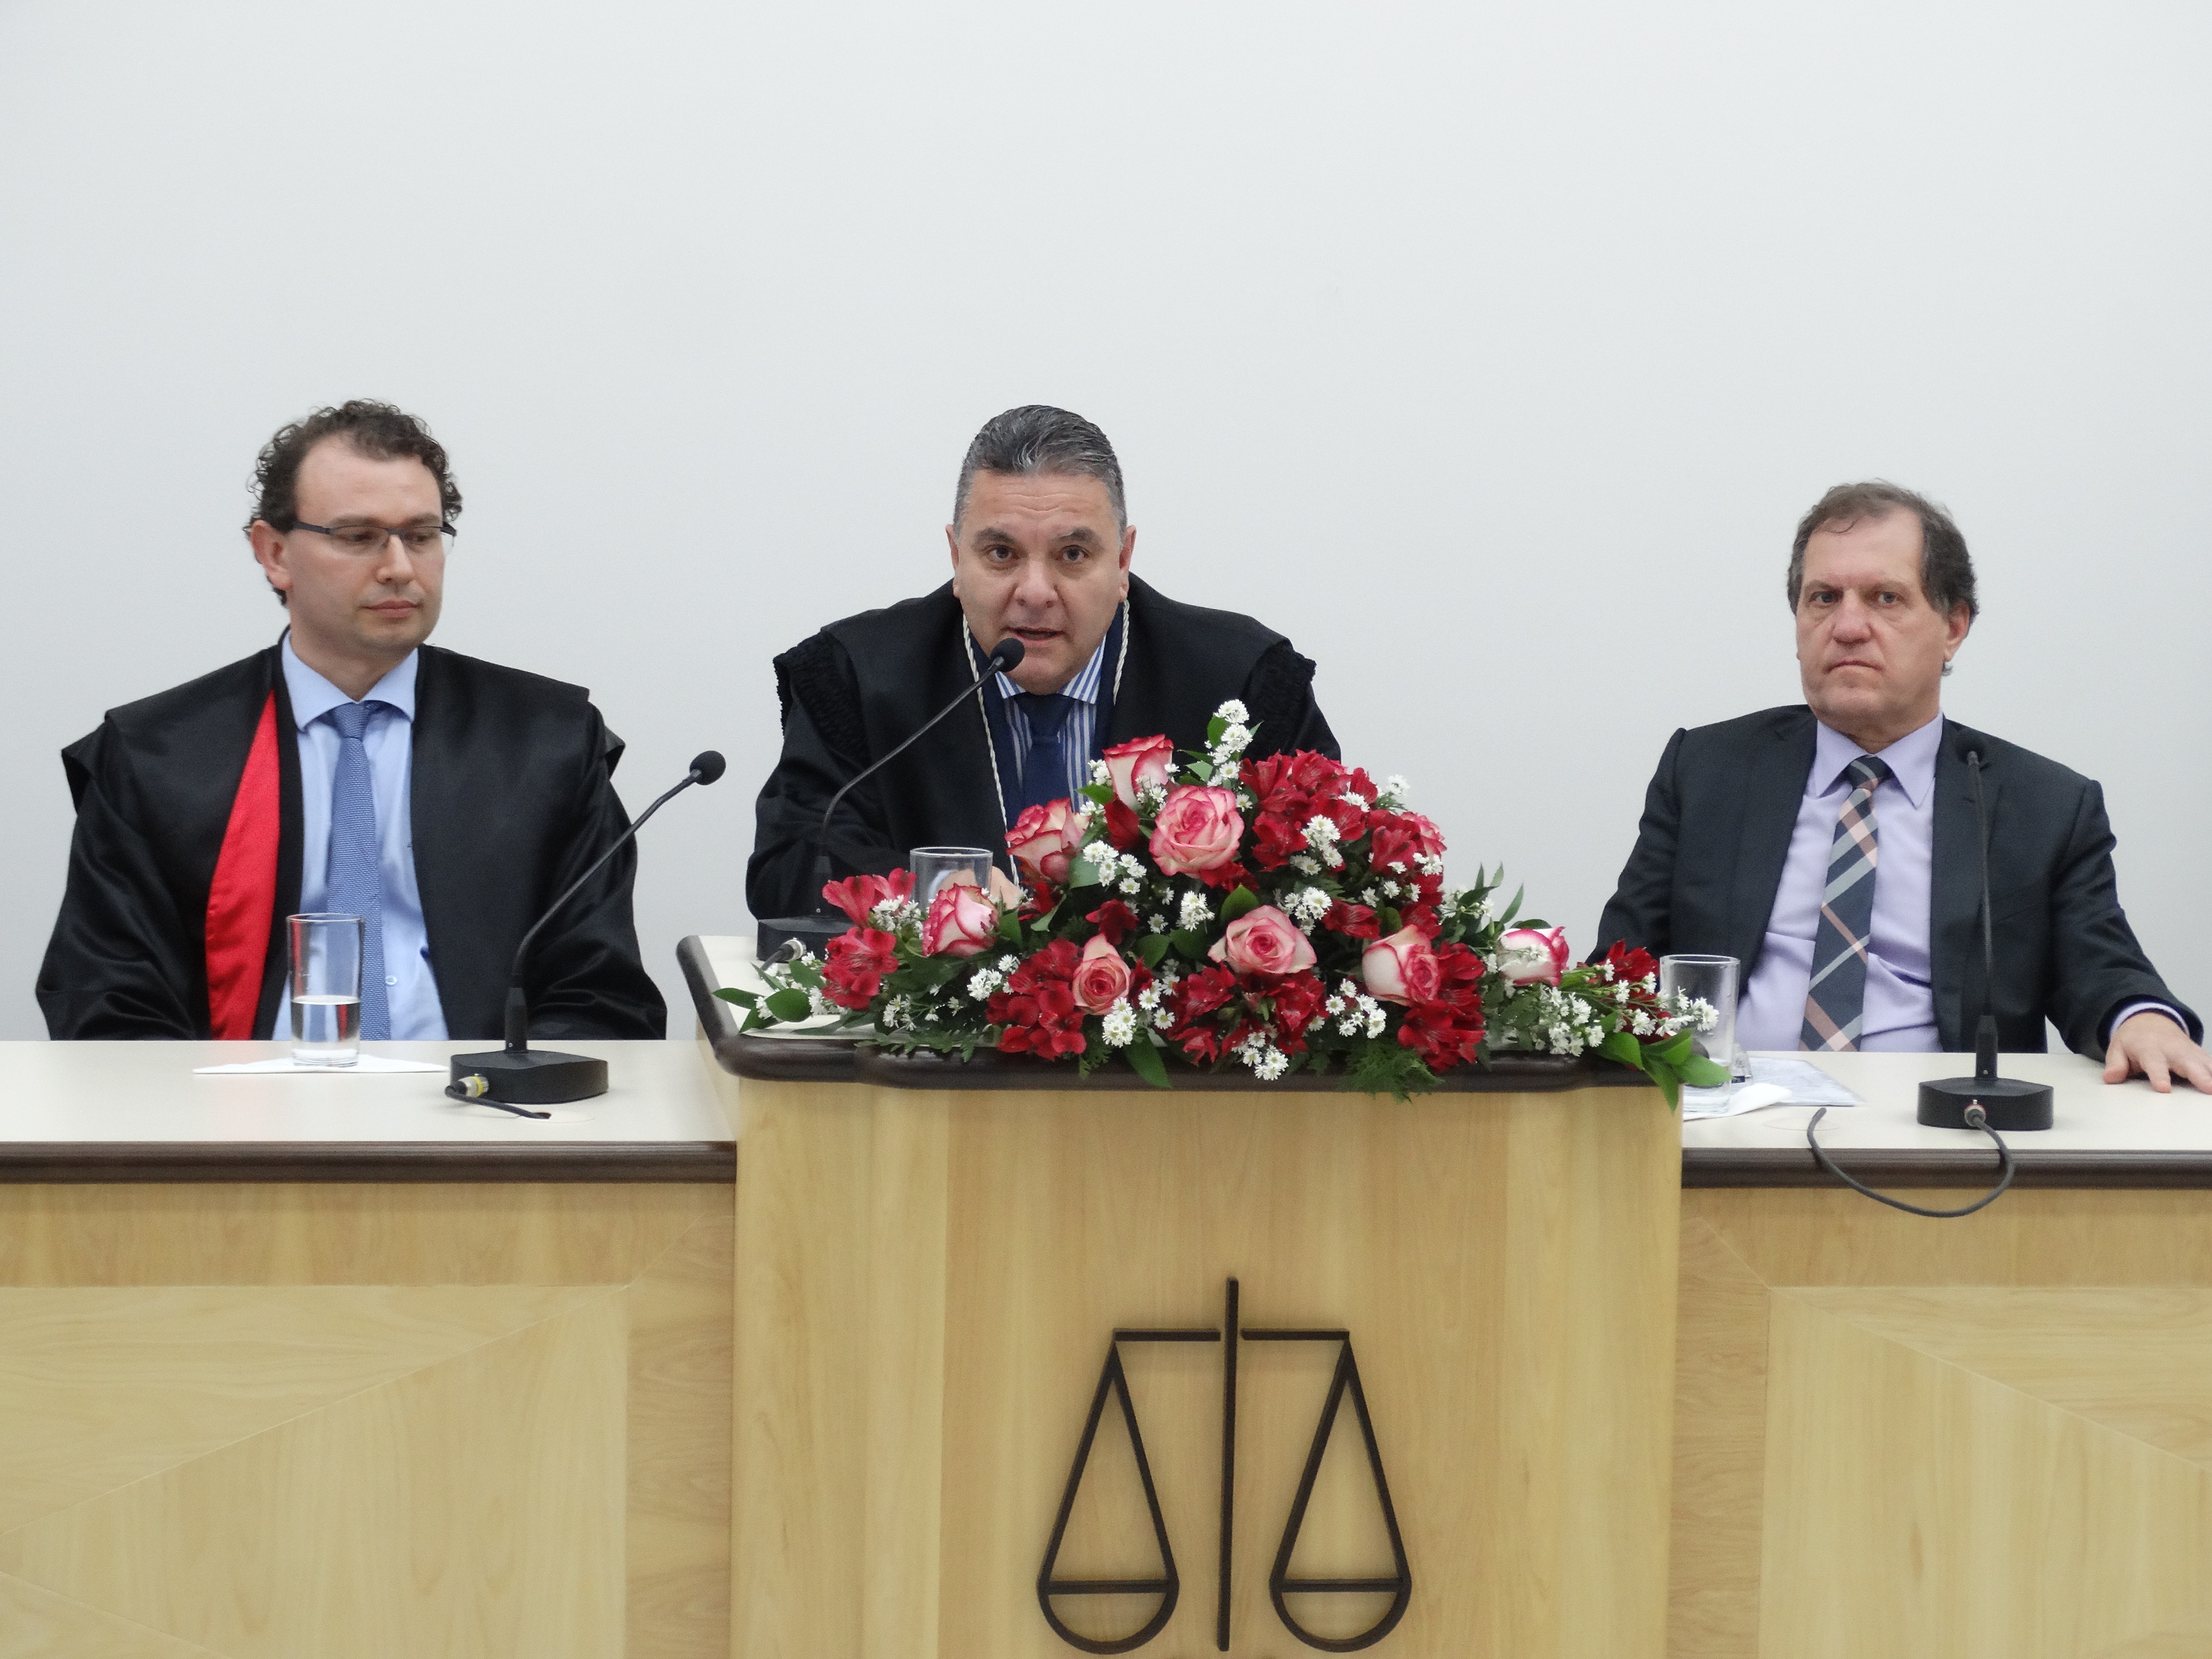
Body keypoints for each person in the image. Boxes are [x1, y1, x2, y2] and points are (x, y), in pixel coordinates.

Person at [39, 400, 665, 1042]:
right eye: (359, 537)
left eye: (421, 535)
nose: (399, 567)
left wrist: (504, 1089)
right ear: (274, 552)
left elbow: (600, 994)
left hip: (480, 1096)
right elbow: (108, 1000)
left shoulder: (546, 742)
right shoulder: (156, 756)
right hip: (240, 1098)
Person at [1595, 480, 2208, 1093]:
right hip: (1729, 1115)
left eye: (1885, 598)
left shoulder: (2043, 806)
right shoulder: (1708, 771)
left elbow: (2101, 967)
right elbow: (1619, 968)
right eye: (1824, 598)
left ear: (1954, 627)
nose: (1848, 626)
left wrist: (2143, 1019)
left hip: (1940, 1128)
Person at [748, 405, 1338, 920]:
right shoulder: (856, 676)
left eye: (1072, 554)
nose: (1035, 592)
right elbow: (790, 869)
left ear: (1123, 560)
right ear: (956, 558)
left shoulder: (1244, 683)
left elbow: (1328, 869)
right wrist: (939, 893)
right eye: (1001, 553)